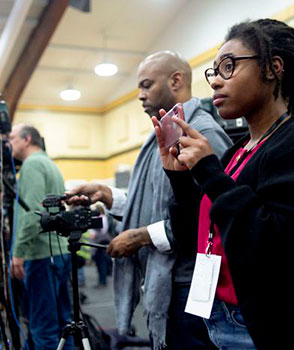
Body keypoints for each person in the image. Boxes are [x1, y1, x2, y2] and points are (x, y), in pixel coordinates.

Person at [153, 19, 294, 350]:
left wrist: (211, 174)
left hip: (277, 326)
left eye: (228, 67)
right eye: (213, 71)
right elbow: (195, 241)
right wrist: (181, 179)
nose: (215, 81)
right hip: (221, 317)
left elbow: (281, 247)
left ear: (273, 68)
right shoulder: (234, 151)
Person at [67, 51, 232, 349]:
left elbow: (211, 217)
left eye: (146, 85)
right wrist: (107, 195)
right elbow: (160, 202)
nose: (140, 95)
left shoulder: (202, 132)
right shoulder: (164, 133)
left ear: (176, 80)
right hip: (171, 284)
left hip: (191, 286)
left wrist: (142, 236)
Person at [9, 124, 73, 350]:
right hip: (58, 253)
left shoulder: (32, 164)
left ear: (26, 139)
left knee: (42, 325)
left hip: (41, 256)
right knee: (65, 324)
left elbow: (33, 214)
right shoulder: (49, 163)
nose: (9, 143)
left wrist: (18, 253)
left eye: (13, 138)